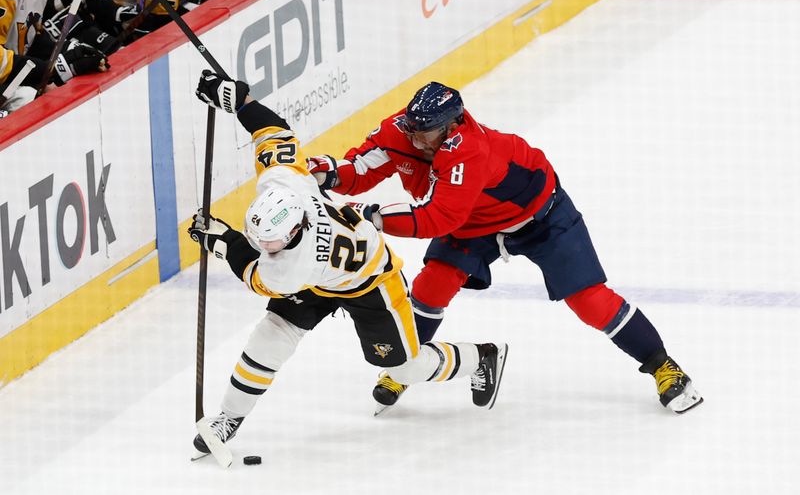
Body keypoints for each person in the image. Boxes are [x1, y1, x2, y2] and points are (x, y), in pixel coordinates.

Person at [307, 81, 703, 414]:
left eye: (423, 132)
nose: (414, 138)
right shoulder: (404, 130)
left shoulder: (470, 151)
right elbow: (359, 170)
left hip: (541, 217)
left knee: (589, 300)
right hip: (474, 220)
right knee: (431, 286)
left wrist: (373, 217)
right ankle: (408, 365)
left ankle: (664, 367)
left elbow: (436, 219)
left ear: (451, 125)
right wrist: (326, 172)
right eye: (411, 127)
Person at [188, 71, 509, 459]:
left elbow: (254, 274)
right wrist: (239, 102)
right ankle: (229, 417)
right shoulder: (289, 184)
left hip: (371, 282)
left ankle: (481, 356)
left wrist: (220, 241)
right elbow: (274, 132)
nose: (265, 248)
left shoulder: (288, 267)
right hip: (324, 276)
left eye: (271, 243)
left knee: (405, 368)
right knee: (271, 336)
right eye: (261, 241)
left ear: (294, 233)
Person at [0, 0, 108, 112]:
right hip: (4, 78)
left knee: (58, 91)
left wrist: (69, 50)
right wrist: (51, 69)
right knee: (29, 101)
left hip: (8, 76)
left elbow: (26, 40)